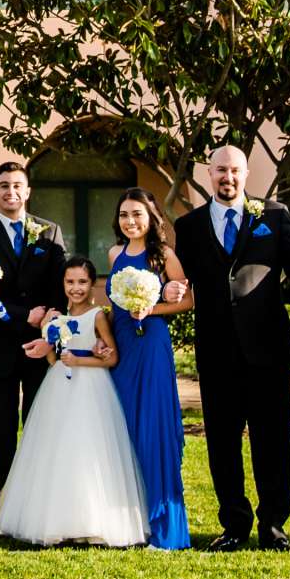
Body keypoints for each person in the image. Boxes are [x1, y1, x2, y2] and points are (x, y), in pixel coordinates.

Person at [171, 144, 290, 550]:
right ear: (209, 174)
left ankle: (273, 525)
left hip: (267, 346)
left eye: (235, 171)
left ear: (246, 174)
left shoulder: (273, 216)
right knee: (222, 442)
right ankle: (234, 525)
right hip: (216, 348)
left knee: (273, 440)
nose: (228, 178)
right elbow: (181, 280)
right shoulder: (188, 226)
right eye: (221, 170)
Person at [0, 257, 147, 547]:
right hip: (59, 389)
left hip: (91, 389)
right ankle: (56, 518)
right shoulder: (57, 318)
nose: (76, 288)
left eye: (82, 282)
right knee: (57, 450)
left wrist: (80, 359)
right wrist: (48, 345)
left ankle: (91, 519)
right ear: (62, 284)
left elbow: (112, 357)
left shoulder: (97, 316)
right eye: (70, 282)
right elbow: (54, 360)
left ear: (92, 284)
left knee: (87, 449)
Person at [0, 160, 66, 488]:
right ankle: (5, 499)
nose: (11, 191)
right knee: (2, 429)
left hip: (41, 347)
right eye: (4, 185)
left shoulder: (49, 232)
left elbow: (61, 289)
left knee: (39, 425)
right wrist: (24, 315)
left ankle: (36, 498)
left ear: (28, 191)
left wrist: (49, 327)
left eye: (17, 185)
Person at [103, 188, 191, 550]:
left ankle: (166, 526)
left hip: (151, 342)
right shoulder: (114, 253)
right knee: (124, 426)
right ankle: (129, 521)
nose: (130, 221)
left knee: (152, 426)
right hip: (123, 345)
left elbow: (188, 300)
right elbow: (113, 305)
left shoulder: (164, 255)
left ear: (151, 217)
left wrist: (150, 309)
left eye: (137, 214)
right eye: (124, 214)